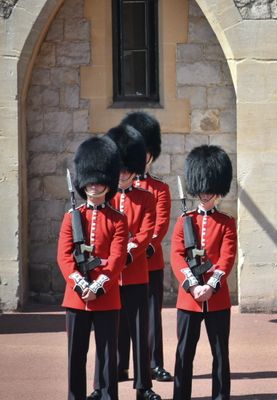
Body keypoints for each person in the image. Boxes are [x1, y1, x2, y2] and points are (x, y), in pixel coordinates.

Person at [89, 125, 161, 400]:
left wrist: (127, 251)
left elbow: (147, 233)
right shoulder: (103, 199)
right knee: (105, 334)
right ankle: (101, 384)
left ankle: (143, 386)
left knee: (140, 333)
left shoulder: (146, 198)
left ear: (133, 169)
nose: (121, 175)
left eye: (126, 169)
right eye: (118, 169)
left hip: (134, 273)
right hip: (108, 276)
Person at [57, 136, 127, 400]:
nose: (94, 185)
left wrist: (98, 286)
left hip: (106, 297)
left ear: (107, 183)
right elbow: (64, 257)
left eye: (99, 180)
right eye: (90, 180)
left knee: (108, 356)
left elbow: (117, 258)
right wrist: (80, 283)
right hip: (76, 298)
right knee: (76, 355)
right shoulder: (71, 218)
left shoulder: (118, 220)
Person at [171, 145, 237, 400]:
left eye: (210, 189)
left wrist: (210, 286)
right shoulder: (183, 221)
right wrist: (192, 285)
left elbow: (227, 257)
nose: (205, 193)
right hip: (189, 299)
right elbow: (177, 256)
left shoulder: (226, 222)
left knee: (220, 353)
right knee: (184, 353)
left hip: (216, 298)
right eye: (202, 189)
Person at [121, 111, 173, 382]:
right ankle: (121, 365)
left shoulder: (159, 189)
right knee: (119, 316)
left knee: (152, 316)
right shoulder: (116, 188)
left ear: (151, 155)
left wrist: (140, 247)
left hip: (149, 261)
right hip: (121, 264)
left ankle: (154, 363)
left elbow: (159, 225)